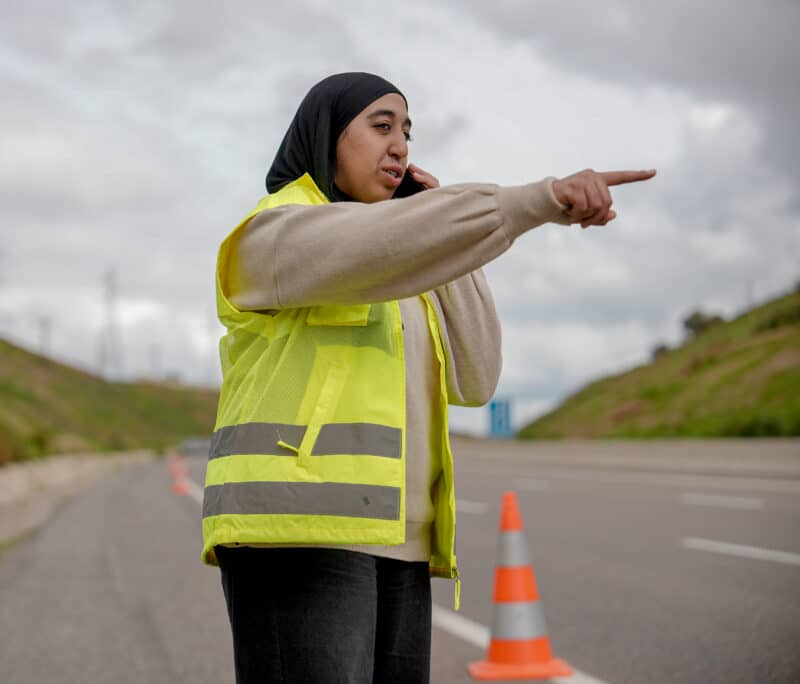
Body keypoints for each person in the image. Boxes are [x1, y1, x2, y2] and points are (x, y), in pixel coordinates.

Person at [201, 72, 655, 684]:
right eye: (381, 126)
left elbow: (477, 377)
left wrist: (445, 244)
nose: (400, 147)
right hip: (300, 533)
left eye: (407, 134)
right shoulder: (277, 233)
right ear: (327, 135)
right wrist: (533, 201)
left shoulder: (402, 264)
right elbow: (371, 245)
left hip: (399, 539)